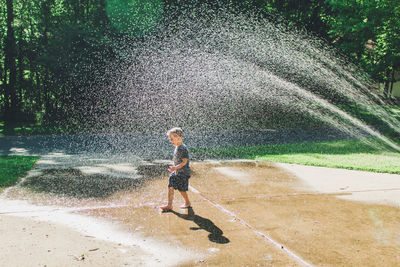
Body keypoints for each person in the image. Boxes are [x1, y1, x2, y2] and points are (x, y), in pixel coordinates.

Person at [160, 127, 191, 212]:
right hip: (177, 171)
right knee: (170, 187)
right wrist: (174, 167)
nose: (171, 141)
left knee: (182, 190)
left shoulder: (183, 148)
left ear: (179, 138)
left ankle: (187, 202)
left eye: (172, 139)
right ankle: (169, 205)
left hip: (183, 173)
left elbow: (184, 162)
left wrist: (175, 167)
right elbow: (178, 160)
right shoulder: (177, 147)